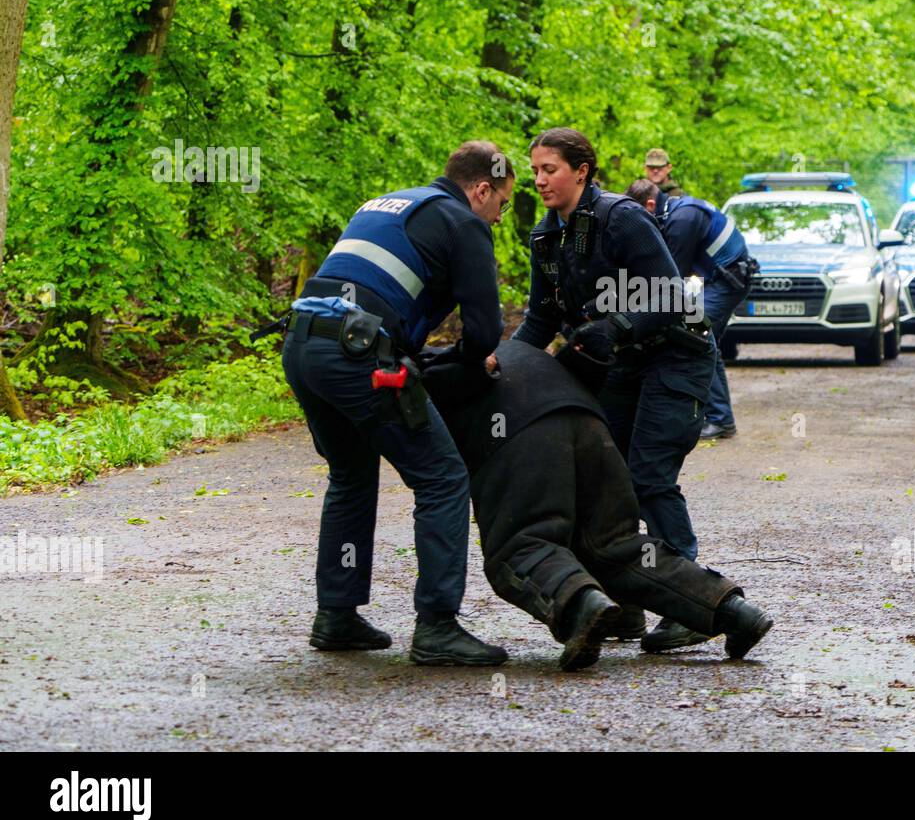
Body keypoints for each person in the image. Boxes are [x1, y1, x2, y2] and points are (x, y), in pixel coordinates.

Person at [279, 140, 515, 667]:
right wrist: (464, 361)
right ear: (481, 189)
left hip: (301, 343)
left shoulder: (387, 202)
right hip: (354, 351)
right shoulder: (463, 223)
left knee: (351, 473)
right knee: (443, 477)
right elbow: (484, 333)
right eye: (502, 203)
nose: (500, 219)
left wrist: (421, 354)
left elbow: (372, 290)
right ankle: (437, 626)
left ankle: (336, 615)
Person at [420, 338, 774, 671]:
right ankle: (732, 611)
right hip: (590, 424)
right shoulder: (493, 350)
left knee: (520, 548)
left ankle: (581, 606)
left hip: (522, 436)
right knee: (616, 547)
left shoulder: (417, 375)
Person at [514, 128, 718, 653]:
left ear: (581, 171)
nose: (539, 180)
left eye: (549, 170)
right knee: (609, 481)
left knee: (649, 476)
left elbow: (673, 293)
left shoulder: (622, 218)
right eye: (534, 170)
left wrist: (617, 326)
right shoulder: (545, 236)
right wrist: (499, 366)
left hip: (677, 357)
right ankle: (625, 603)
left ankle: (695, 603)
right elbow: (539, 320)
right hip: (624, 367)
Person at [626, 179, 755, 439]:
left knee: (698, 336)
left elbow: (671, 278)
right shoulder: (676, 210)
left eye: (639, 216)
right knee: (708, 341)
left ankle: (719, 419)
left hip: (727, 281)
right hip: (721, 280)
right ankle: (719, 417)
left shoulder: (681, 219)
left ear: (650, 205)